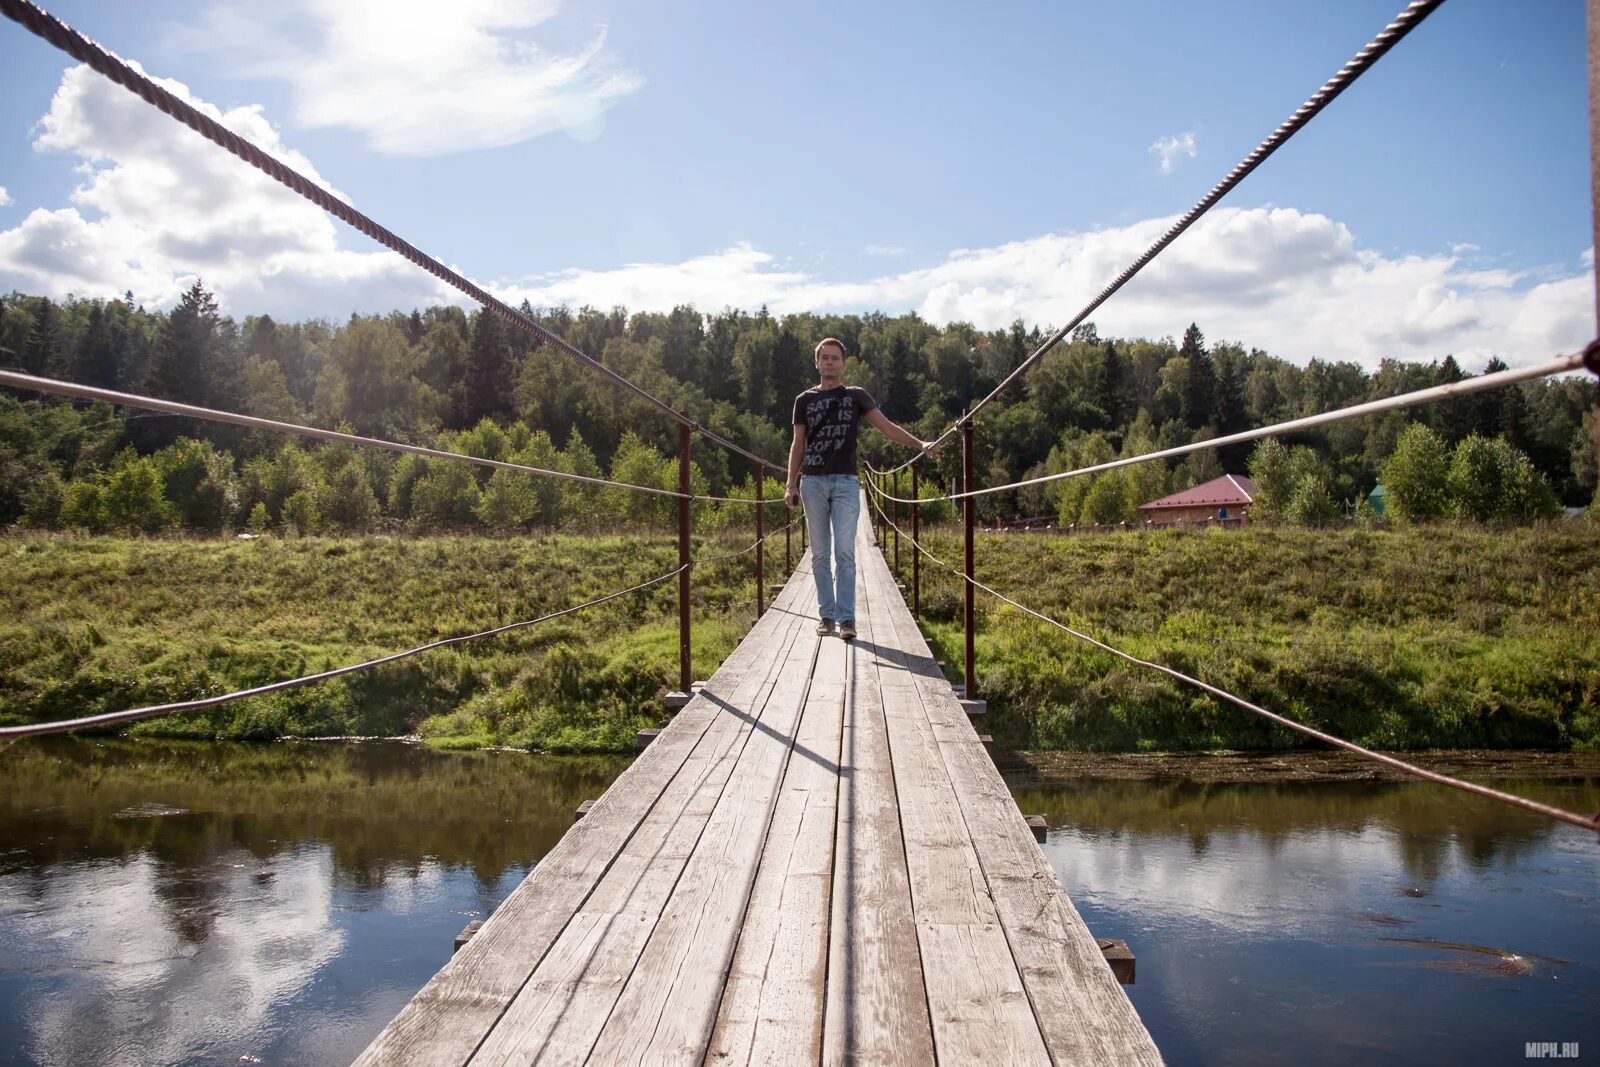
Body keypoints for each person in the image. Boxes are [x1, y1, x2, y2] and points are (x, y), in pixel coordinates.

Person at [785, 337, 936, 641]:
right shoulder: (804, 400)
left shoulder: (856, 396)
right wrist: (790, 483)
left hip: (845, 483)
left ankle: (846, 619)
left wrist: (920, 443)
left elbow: (887, 428)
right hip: (812, 482)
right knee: (819, 553)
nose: (829, 363)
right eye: (824, 358)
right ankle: (826, 616)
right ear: (817, 363)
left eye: (835, 358)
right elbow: (798, 444)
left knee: (844, 552)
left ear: (843, 363)